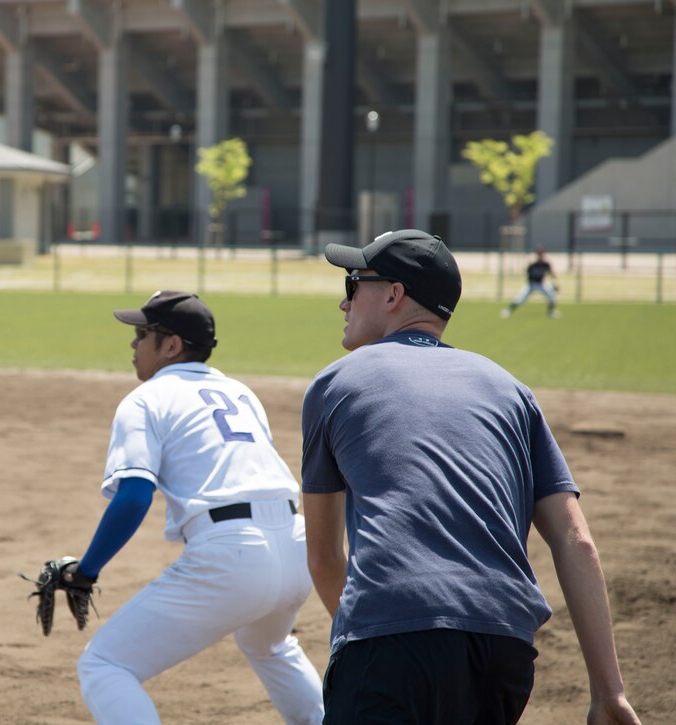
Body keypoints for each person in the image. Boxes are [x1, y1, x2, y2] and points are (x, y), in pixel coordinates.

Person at [300, 229, 639, 724]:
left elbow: (325, 557)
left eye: (353, 283)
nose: (344, 302)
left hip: (389, 637)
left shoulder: (336, 382)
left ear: (394, 295)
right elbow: (576, 541)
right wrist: (609, 692)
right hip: (503, 644)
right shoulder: (511, 389)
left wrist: (368, 634)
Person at [64, 290, 324, 724]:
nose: (133, 343)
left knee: (105, 665)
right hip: (297, 547)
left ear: (171, 345)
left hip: (232, 554)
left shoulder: (146, 399)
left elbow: (134, 496)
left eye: (142, 334)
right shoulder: (240, 392)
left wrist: (87, 570)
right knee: (270, 645)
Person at [503, 246, 560, 318]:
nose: (540, 255)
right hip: (531, 285)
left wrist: (555, 283)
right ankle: (509, 310)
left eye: (541, 253)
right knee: (520, 298)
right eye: (539, 253)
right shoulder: (532, 264)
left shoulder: (546, 264)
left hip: (541, 284)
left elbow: (551, 274)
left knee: (552, 296)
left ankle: (550, 312)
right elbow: (527, 274)